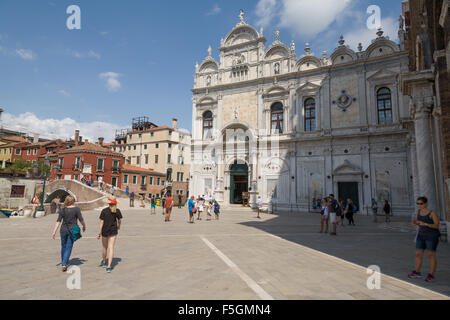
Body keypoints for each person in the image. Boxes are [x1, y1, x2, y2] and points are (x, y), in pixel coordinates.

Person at [408, 196, 440, 282]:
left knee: (430, 255)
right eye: (417, 203)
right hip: (421, 235)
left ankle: (431, 275)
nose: (419, 205)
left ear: (426, 203)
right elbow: (419, 222)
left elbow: (437, 225)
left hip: (432, 236)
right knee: (418, 254)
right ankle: (417, 272)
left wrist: (426, 224)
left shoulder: (432, 213)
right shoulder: (418, 212)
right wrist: (416, 223)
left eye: (421, 203)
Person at [51, 196, 86, 272]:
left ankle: (64, 261)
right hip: (72, 230)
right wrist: (84, 225)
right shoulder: (76, 209)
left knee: (63, 246)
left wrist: (54, 231)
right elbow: (81, 219)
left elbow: (58, 221)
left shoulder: (63, 209)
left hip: (63, 230)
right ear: (73, 201)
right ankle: (64, 263)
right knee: (68, 247)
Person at [97, 197, 123, 273]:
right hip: (113, 230)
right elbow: (119, 220)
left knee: (104, 247)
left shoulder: (104, 211)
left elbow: (101, 222)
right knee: (111, 248)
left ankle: (104, 262)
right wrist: (119, 226)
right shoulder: (117, 211)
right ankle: (109, 266)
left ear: (108, 203)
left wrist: (99, 232)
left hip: (105, 230)